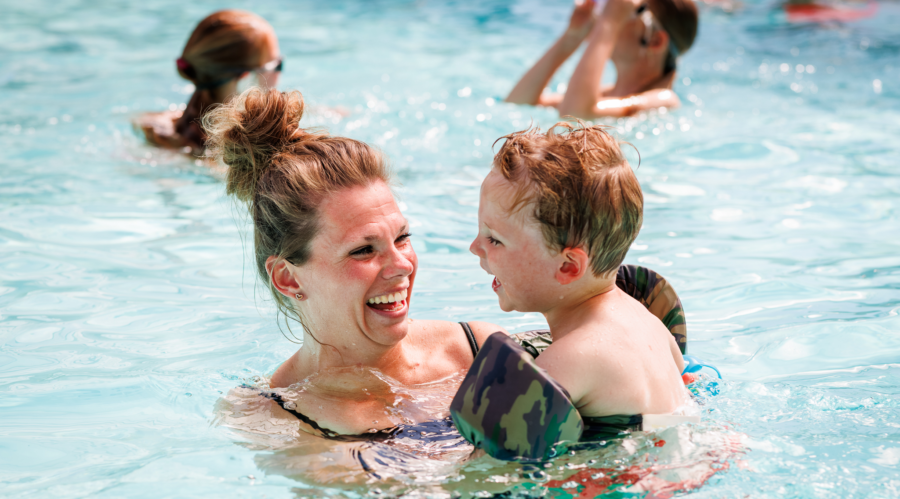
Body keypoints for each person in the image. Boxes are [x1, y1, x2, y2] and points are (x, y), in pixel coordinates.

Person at [204, 87, 504, 438]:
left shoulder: (478, 352)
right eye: (363, 250)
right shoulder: (268, 416)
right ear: (288, 278)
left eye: (402, 238)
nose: (402, 265)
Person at [468, 122, 689, 424]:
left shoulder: (567, 362)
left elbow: (491, 461)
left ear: (568, 266)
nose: (475, 247)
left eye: (494, 239)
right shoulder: (651, 324)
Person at [506, 0, 698, 119]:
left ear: (654, 41)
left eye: (623, 10)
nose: (606, 14)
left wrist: (609, 24)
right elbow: (518, 103)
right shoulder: (604, 95)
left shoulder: (663, 100)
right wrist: (571, 38)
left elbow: (574, 116)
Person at [135, 10, 283, 155]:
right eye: (278, 65)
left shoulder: (154, 124)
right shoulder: (235, 157)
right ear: (246, 78)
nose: (279, 74)